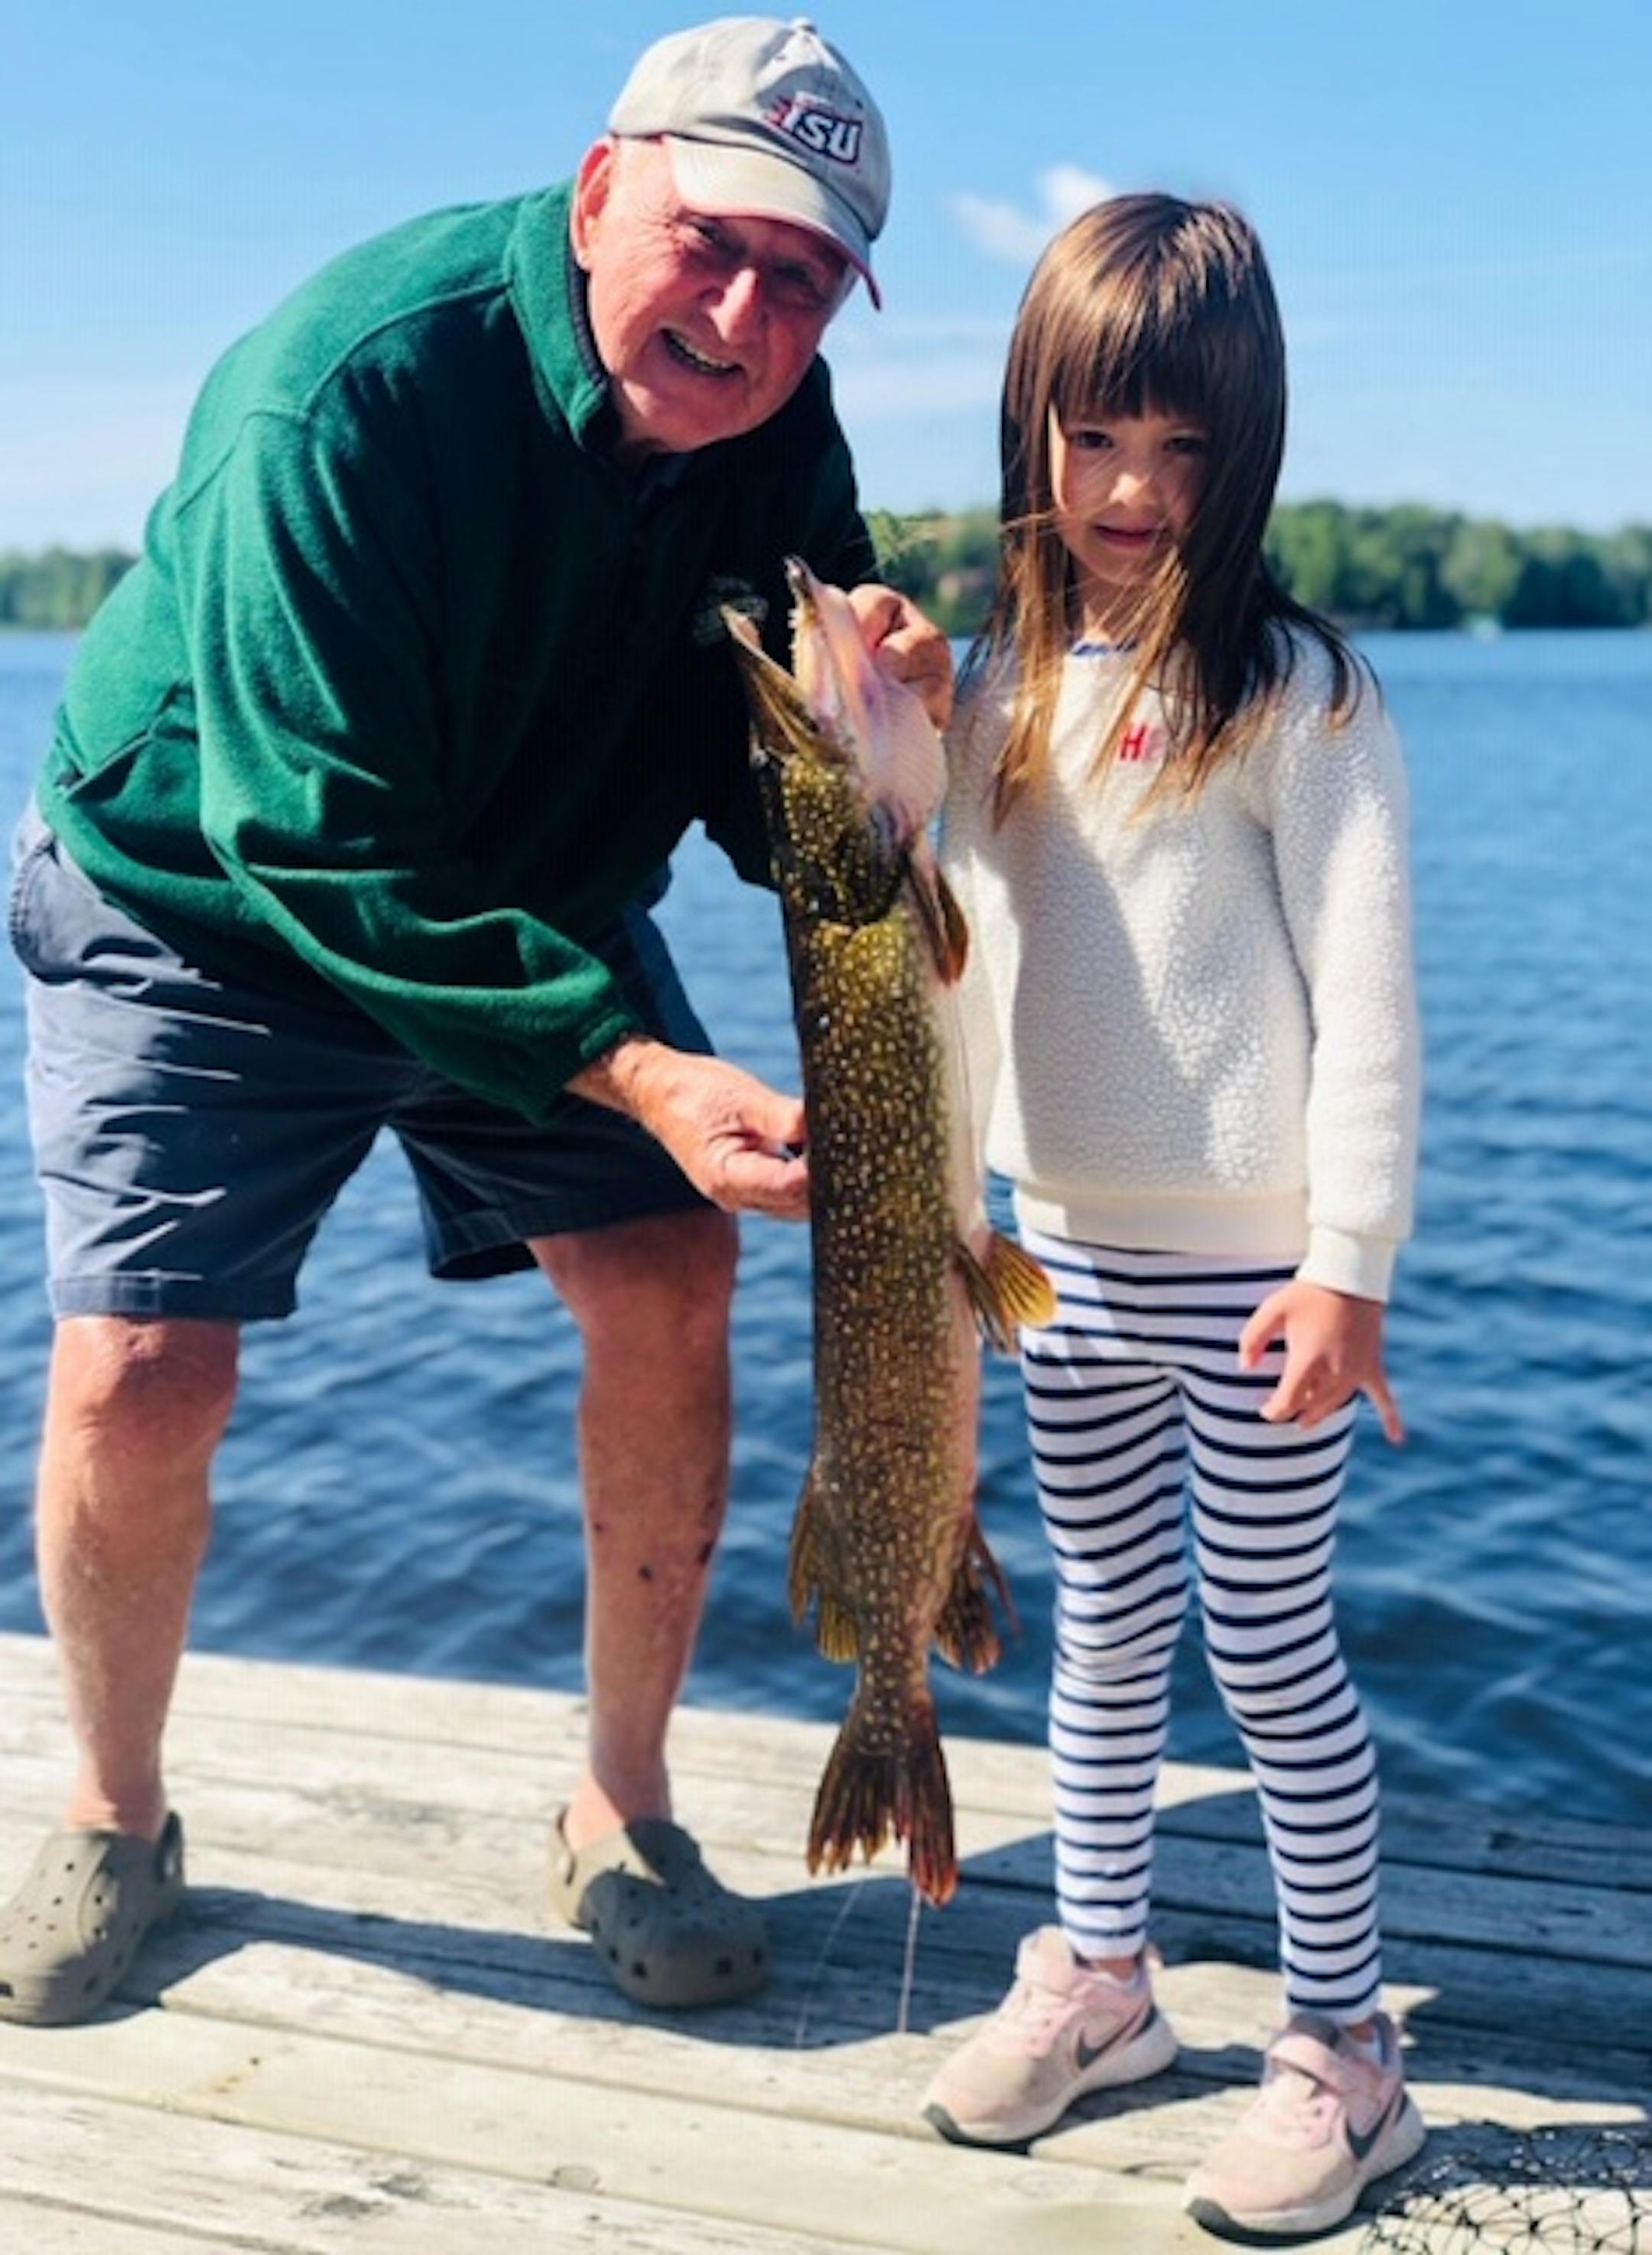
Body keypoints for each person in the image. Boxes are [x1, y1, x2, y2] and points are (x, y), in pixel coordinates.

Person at [0, 15, 951, 2029]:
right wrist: (637, 1064)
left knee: (671, 1267)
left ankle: (621, 1804)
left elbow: (788, 802)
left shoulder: (784, 436)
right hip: (207, 894)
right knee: (140, 1363)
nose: (744, 309)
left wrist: (891, 764)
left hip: (527, 886)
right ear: (602, 183)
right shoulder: (347, 388)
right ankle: (109, 1809)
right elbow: (312, 836)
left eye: (804, 277)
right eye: (713, 236)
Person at [919, 194, 1425, 2242]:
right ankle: (1105, 1977)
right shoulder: (985, 690)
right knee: (1108, 1628)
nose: (1135, 490)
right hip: (1063, 1262)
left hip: (1255, 1280)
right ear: (1035, 428)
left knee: (1273, 1643)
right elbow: (929, 945)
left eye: (1186, 452)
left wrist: (1351, 1267)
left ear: (1247, 455)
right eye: (1099, 437)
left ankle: (1343, 2050)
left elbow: (1371, 1004)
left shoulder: (1298, 692)